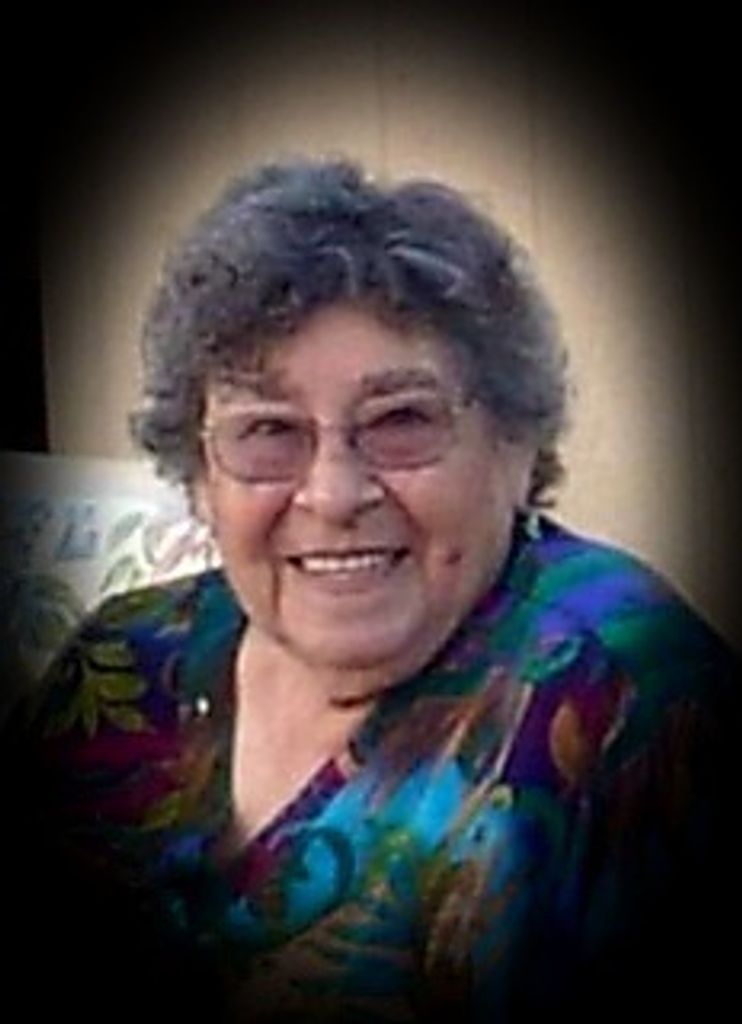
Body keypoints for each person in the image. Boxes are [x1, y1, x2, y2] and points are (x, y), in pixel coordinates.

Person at [6, 157, 738, 1023]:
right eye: (267, 431)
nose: (333, 494)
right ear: (200, 474)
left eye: (401, 421)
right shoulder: (123, 660)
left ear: (516, 446)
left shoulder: (627, 690)